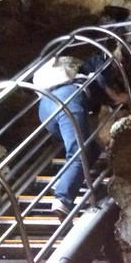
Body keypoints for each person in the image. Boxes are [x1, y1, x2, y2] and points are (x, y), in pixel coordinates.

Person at [32, 55, 99, 216]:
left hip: (45, 105)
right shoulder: (98, 69)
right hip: (68, 101)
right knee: (78, 151)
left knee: (90, 149)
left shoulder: (66, 74)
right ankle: (63, 198)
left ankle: (64, 178)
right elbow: (106, 96)